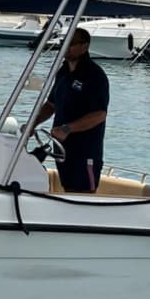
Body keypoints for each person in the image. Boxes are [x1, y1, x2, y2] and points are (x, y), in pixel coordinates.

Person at [30, 27, 110, 191]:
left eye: (70, 43)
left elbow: (100, 114)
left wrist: (67, 128)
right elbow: (51, 104)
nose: (65, 46)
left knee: (82, 193)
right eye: (63, 42)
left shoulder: (95, 75)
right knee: (67, 188)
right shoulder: (63, 71)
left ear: (84, 46)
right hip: (61, 150)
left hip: (85, 152)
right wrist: (33, 123)